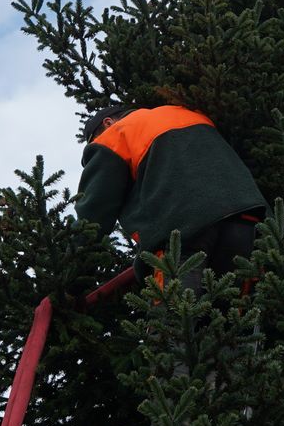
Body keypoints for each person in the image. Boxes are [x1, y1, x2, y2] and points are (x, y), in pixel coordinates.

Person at [76, 102, 266, 290]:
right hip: (248, 220)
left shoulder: (114, 135)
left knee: (174, 313)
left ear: (108, 123)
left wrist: (71, 278)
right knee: (235, 314)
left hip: (182, 232)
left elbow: (93, 218)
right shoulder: (186, 112)